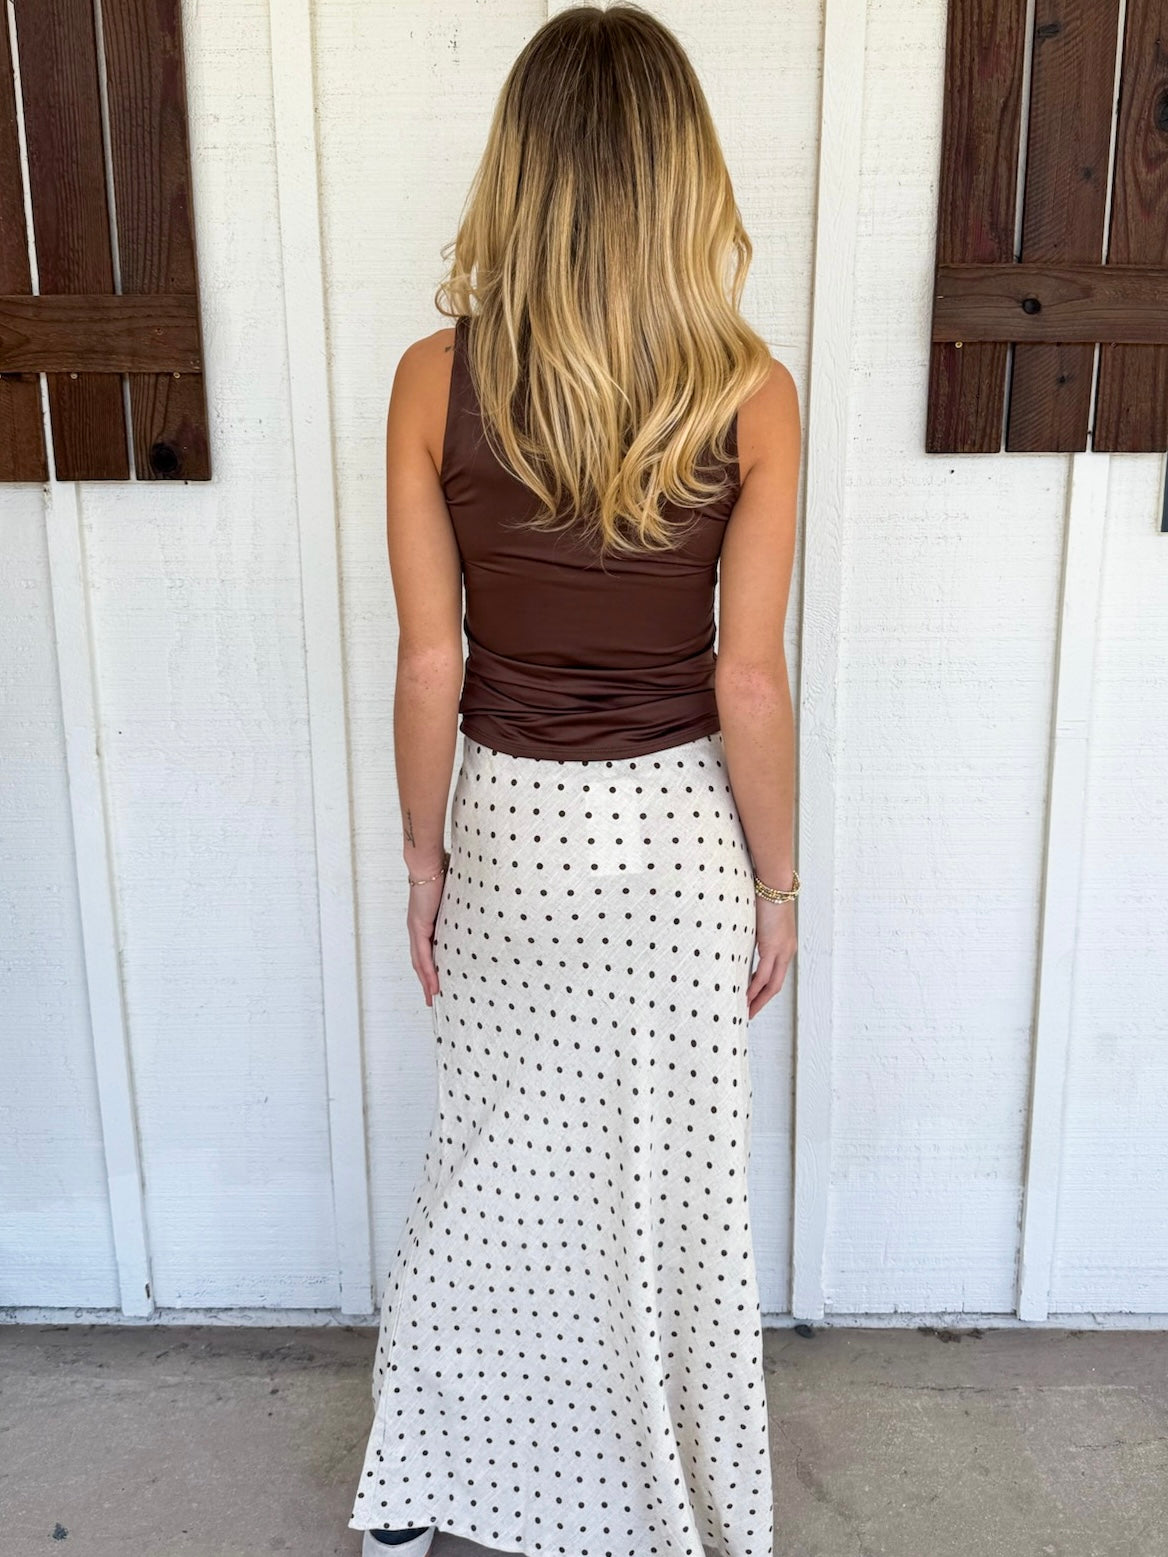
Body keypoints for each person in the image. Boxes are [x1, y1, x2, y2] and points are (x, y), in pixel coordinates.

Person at [347, 6, 800, 1556]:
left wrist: (424, 859)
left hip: (512, 828)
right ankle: (670, 1502)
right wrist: (779, 883)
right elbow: (747, 680)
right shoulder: (750, 393)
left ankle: (418, 1492)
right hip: (680, 837)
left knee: (488, 1164)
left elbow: (431, 664)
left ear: (519, 171)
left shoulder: (431, 381)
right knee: (670, 1194)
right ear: (685, 176)